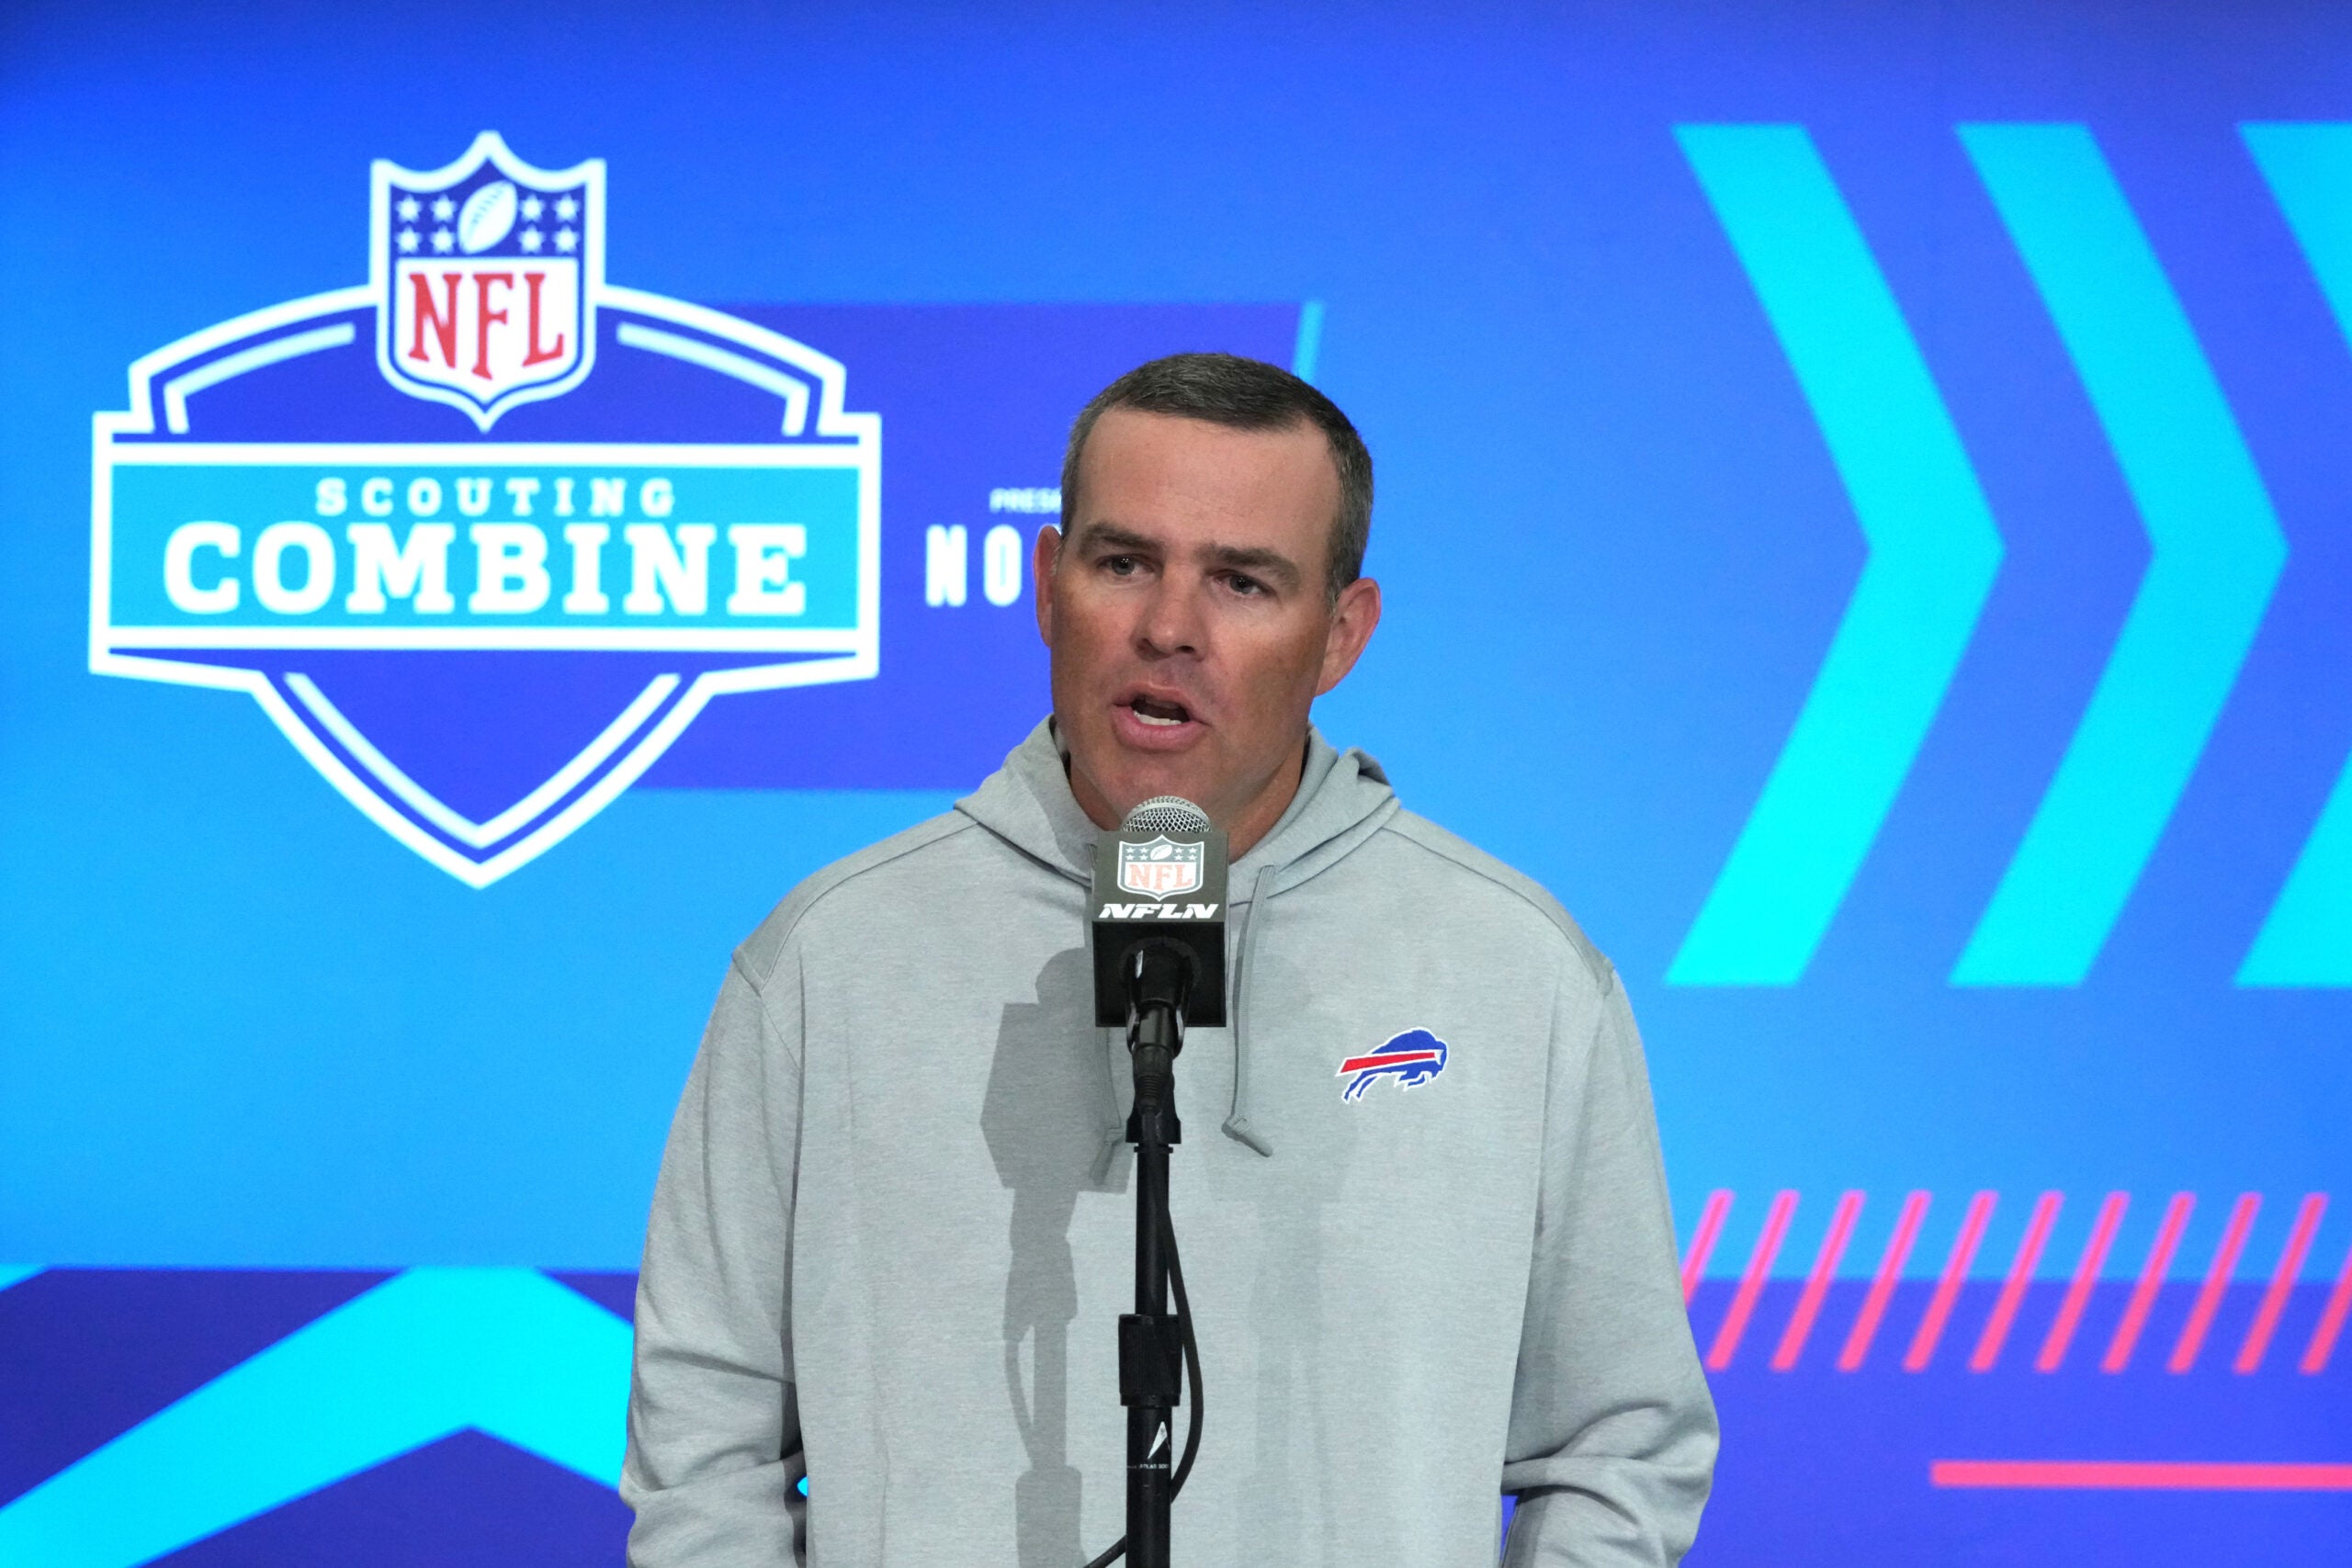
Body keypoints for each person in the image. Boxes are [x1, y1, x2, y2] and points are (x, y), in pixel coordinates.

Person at [622, 353, 1717, 1567]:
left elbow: (1616, 1448)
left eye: (1243, 582)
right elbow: (703, 1446)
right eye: (1123, 562)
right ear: (1048, 586)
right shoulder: (832, 960)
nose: (1167, 628)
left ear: (1340, 634)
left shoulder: (1518, 972)